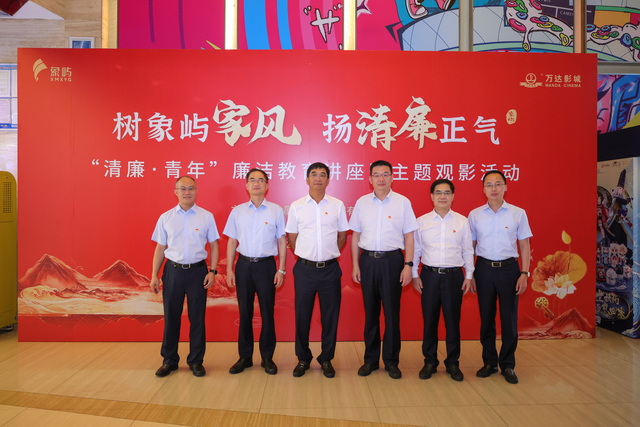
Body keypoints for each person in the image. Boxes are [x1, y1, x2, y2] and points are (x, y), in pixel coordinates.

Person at [349, 160, 417, 379]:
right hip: (368, 261)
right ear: (370, 179)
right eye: (376, 175)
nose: (381, 179)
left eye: (385, 174)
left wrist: (408, 265)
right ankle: (370, 360)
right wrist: (355, 265)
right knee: (371, 314)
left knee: (391, 314)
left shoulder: (402, 202)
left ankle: (391, 361)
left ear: (392, 177)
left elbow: (409, 237)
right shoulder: (362, 203)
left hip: (392, 262)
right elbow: (355, 237)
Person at [150, 176, 220, 378]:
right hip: (173, 271)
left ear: (197, 191)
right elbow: (160, 247)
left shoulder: (206, 216)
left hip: (198, 272)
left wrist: (212, 271)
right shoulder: (166, 217)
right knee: (171, 318)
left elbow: (214, 245)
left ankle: (196, 361)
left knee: (197, 319)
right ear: (176, 192)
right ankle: (169, 360)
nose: (187, 192)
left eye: (191, 188)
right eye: (183, 188)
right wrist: (154, 274)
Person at [285, 162, 349, 378]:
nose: (318, 178)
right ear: (307, 179)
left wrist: (327, 254)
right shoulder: (297, 206)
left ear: (328, 180)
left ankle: (326, 358)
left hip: (330, 269)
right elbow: (292, 238)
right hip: (305, 270)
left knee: (330, 317)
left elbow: (342, 235)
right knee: (302, 316)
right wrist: (307, 255)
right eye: (314, 174)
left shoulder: (337, 205)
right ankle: (303, 358)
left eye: (323, 175)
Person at [468, 170, 532, 384]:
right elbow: (471, 246)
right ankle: (489, 362)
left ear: (505, 187)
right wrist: (470, 273)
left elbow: (524, 245)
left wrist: (524, 273)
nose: (493, 188)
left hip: (509, 270)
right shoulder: (475, 215)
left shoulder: (518, 213)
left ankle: (508, 364)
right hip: (483, 269)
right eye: (489, 185)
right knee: (486, 319)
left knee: (509, 320)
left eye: (498, 184)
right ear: (483, 189)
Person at [223, 168, 286, 375]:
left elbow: (281, 241)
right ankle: (245, 357)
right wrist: (230, 270)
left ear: (267, 186)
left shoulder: (276, 210)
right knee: (245, 312)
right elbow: (231, 241)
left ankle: (267, 358)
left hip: (267, 266)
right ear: (246, 185)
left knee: (267, 312)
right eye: (252, 180)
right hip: (244, 266)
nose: (256, 183)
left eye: (260, 180)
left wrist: (281, 269)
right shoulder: (238, 211)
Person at [411, 179, 474, 382]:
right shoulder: (421, 222)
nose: (442, 196)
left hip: (454, 276)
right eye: (438, 192)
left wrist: (469, 276)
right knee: (429, 321)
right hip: (429, 276)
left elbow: (468, 250)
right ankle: (429, 361)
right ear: (431, 196)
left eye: (447, 192)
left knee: (452, 322)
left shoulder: (462, 221)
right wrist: (414, 274)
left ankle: (453, 362)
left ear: (453, 196)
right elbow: (416, 251)